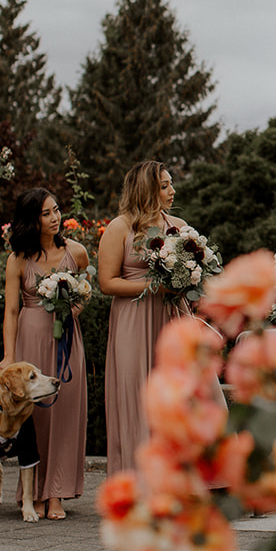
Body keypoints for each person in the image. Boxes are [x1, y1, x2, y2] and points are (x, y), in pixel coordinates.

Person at [0, 189, 90, 519]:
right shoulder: (17, 260)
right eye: (46, 214)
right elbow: (11, 311)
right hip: (30, 338)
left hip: (66, 341)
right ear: (31, 220)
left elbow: (86, 292)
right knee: (35, 419)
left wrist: (72, 311)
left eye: (56, 211)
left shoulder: (76, 253)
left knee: (66, 415)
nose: (55, 218)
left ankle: (58, 494)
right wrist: (10, 356)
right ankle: (34, 492)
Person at [99, 160, 187, 474]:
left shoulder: (177, 226)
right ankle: (135, 477)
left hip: (170, 319)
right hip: (133, 319)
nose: (172, 190)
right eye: (164, 185)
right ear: (146, 189)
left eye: (170, 183)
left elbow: (192, 270)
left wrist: (189, 279)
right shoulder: (120, 227)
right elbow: (107, 282)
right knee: (134, 393)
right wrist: (153, 285)